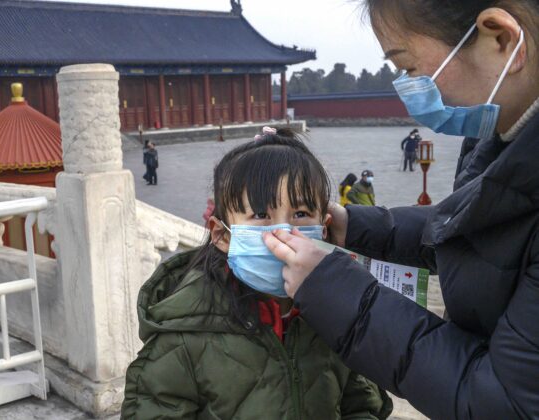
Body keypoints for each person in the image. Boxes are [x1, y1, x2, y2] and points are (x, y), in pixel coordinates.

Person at [263, 2, 539, 419]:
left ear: (500, 38)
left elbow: (507, 403)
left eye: (407, 67)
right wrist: (352, 225)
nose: (408, 88)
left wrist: (334, 289)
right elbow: (476, 234)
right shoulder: (501, 136)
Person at [122, 128, 392, 419]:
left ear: (323, 228)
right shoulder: (184, 335)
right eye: (261, 214)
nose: (283, 232)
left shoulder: (340, 319)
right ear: (221, 235)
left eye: (300, 214)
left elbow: (363, 405)